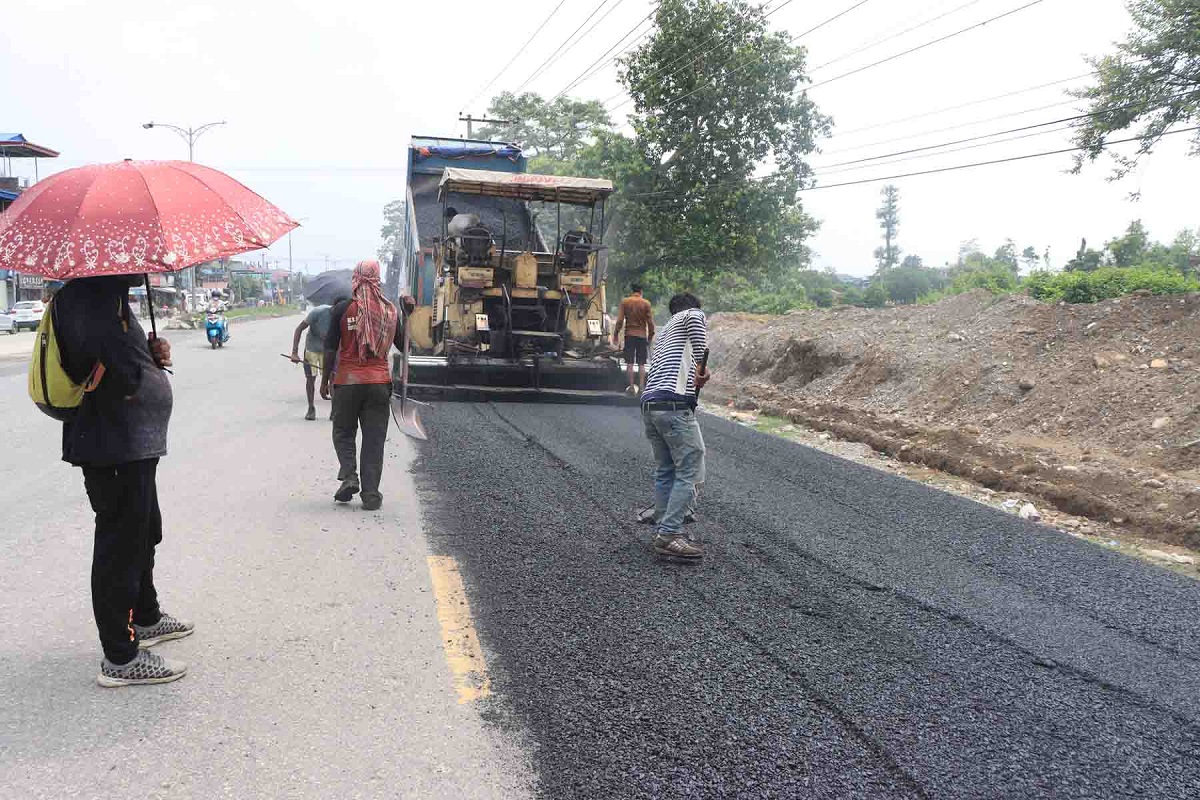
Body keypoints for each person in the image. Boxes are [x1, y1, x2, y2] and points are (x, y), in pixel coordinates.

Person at [53, 275, 193, 687]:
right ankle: (120, 657)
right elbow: (89, 364)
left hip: (133, 444)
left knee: (144, 532)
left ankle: (145, 616)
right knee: (119, 546)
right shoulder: (84, 300)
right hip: (111, 444)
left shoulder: (109, 297)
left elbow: (119, 357)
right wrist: (136, 373)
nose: (143, 266)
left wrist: (149, 356)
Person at [321, 260, 414, 511]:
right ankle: (371, 494)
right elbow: (406, 346)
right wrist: (407, 315)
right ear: (377, 279)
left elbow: (330, 348)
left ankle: (350, 477)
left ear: (356, 278)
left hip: (348, 382)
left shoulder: (342, 309)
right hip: (379, 384)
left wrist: (324, 380)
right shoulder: (390, 311)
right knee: (374, 440)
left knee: (343, 432)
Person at [641, 292, 711, 559]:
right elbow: (700, 354)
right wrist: (702, 370)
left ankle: (663, 527)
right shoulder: (692, 314)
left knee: (666, 470)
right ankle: (670, 534)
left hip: (650, 404)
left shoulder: (664, 333)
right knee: (690, 469)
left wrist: (697, 373)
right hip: (673, 406)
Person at [610, 283, 655, 395]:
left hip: (629, 335)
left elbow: (620, 320)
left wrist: (615, 334)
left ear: (633, 291)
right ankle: (641, 387)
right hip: (642, 336)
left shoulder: (625, 302)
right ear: (641, 291)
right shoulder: (646, 303)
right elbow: (650, 324)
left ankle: (630, 387)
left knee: (629, 363)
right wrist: (650, 338)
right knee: (641, 364)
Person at [290, 303, 332, 420]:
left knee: (333, 378)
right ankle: (311, 408)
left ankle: (334, 410)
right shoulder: (317, 312)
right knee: (310, 378)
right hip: (312, 348)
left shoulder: (340, 316)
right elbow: (299, 329)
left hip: (328, 350)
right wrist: (294, 352)